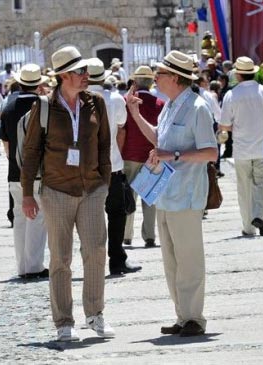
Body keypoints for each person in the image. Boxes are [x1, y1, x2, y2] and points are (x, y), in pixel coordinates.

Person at [21, 46, 114, 341]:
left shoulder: (95, 103)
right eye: (80, 71)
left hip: (91, 189)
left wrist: (104, 183)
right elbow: (31, 150)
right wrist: (27, 193)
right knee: (61, 257)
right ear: (64, 76)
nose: (86, 76)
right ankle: (63, 320)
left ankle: (95, 314)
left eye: (85, 71)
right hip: (57, 190)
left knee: (97, 251)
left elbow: (104, 145)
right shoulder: (45, 107)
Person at [126, 50, 217, 337]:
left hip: (187, 194)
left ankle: (194, 318)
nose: (156, 77)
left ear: (175, 78)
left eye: (160, 74)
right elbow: (158, 138)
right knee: (172, 261)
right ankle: (182, 316)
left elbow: (210, 152)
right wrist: (135, 114)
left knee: (189, 259)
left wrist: (172, 154)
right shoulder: (170, 105)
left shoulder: (198, 107)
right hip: (165, 193)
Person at [86, 58, 142, 275]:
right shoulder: (116, 99)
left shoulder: (79, 100)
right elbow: (121, 129)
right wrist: (115, 153)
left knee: (88, 216)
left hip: (85, 168)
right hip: (112, 165)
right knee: (116, 214)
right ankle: (117, 259)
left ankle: (91, 259)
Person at [0, 63, 49, 279]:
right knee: (37, 218)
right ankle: (34, 266)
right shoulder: (44, 106)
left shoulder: (8, 107)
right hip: (38, 171)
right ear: (39, 84)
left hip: (14, 172)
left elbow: (7, 144)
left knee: (20, 218)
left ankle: (22, 265)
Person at [219, 56, 263, 236]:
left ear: (238, 75)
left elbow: (225, 125)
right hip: (262, 147)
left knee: (244, 188)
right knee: (260, 184)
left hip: (242, 149)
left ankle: (248, 227)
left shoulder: (231, 95)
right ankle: (260, 214)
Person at [122, 65, 165, 248]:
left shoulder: (126, 102)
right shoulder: (160, 104)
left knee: (128, 196)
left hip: (130, 154)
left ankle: (126, 235)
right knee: (150, 196)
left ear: (135, 82)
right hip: (151, 155)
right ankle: (149, 235)